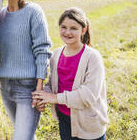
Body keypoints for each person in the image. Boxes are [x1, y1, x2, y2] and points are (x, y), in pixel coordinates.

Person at [32, 7, 108, 140]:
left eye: (74, 28)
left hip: (89, 124)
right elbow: (53, 85)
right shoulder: (56, 54)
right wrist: (41, 95)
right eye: (63, 27)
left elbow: (88, 95)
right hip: (65, 120)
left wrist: (54, 98)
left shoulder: (93, 57)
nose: (67, 32)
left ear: (83, 30)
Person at [0, 0, 52, 140]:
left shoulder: (33, 12)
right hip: (5, 85)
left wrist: (39, 90)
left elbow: (42, 50)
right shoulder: (1, 14)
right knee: (26, 135)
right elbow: (1, 45)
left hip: (28, 88)